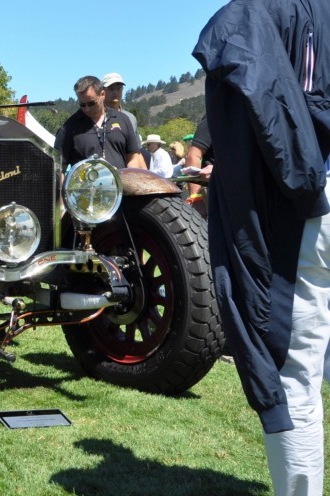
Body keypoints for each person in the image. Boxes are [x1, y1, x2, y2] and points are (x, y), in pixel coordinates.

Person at [194, 1, 330, 494]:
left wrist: (302, 179)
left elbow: (249, 67)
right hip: (311, 197)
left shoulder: (260, 9)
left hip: (302, 210)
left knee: (293, 371)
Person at [54, 75, 145, 169]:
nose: (87, 109)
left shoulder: (123, 119)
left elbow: (133, 157)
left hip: (121, 183)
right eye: (82, 105)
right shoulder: (68, 128)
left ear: (102, 95)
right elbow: (59, 168)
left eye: (91, 103)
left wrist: (128, 180)